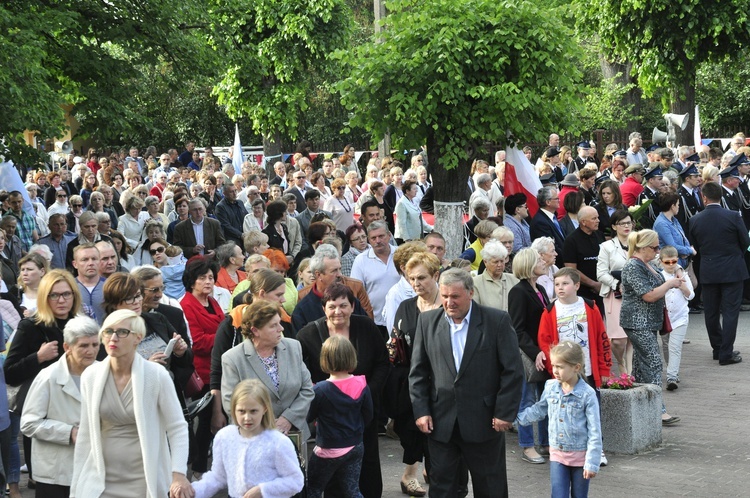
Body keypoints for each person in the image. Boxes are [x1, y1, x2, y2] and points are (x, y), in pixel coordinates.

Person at [408, 269, 523, 498]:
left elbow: (512, 371)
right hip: (441, 423)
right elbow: (418, 372)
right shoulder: (427, 322)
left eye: (455, 296)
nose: (449, 302)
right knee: (442, 487)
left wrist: (504, 412)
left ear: (470, 293)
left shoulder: (496, 321)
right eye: (445, 296)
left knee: (491, 487)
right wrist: (421, 411)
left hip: (485, 421)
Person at [70, 310, 192, 498]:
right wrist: (78, 483)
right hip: (101, 479)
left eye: (122, 332)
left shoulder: (157, 375)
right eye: (108, 331)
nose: (114, 337)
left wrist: (178, 474)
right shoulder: (91, 376)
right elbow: (86, 432)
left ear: (138, 338)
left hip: (144, 478)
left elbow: (177, 427)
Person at [296, 284, 389, 498]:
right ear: (323, 308)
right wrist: (315, 394)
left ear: (353, 306)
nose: (338, 311)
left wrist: (366, 392)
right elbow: (299, 368)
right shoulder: (308, 333)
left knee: (367, 463)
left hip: (363, 409)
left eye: (343, 305)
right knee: (331, 470)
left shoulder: (366, 326)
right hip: (329, 417)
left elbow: (383, 363)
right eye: (332, 306)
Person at [4, 270, 81, 488]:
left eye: (67, 294)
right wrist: (38, 357)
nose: (62, 300)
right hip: (44, 414)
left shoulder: (81, 325)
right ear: (44, 297)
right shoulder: (30, 326)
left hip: (77, 410)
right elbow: (10, 371)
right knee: (47, 481)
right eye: (54, 295)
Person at [20, 316, 100, 498]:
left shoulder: (105, 373)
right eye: (84, 346)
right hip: (55, 473)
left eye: (95, 345)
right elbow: (28, 423)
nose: (91, 351)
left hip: (94, 469)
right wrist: (69, 432)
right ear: (67, 347)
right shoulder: (48, 377)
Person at [190, 379, 304, 498]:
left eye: (253, 411)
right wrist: (193, 492)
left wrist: (263, 490)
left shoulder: (278, 442)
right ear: (233, 409)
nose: (247, 417)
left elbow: (295, 481)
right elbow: (218, 477)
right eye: (241, 411)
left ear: (264, 409)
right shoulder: (224, 437)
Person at [516, 341, 602, 498]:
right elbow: (539, 410)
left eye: (560, 367)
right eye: (554, 365)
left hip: (580, 457)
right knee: (558, 494)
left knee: (579, 495)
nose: (555, 370)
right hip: (557, 454)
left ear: (576, 367)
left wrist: (592, 462)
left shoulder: (587, 394)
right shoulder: (550, 387)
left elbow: (595, 430)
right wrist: (515, 419)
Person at [220, 299, 314, 442]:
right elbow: (231, 403)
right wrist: (266, 427)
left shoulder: (293, 347)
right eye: (273, 326)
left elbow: (307, 389)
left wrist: (288, 419)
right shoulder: (232, 359)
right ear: (255, 330)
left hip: (294, 435)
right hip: (254, 438)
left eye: (279, 323)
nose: (281, 329)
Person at [620, 230, 681, 424]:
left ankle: (637, 407)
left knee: (640, 366)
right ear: (643, 247)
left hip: (647, 322)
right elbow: (648, 295)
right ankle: (658, 409)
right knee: (654, 362)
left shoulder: (646, 264)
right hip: (638, 322)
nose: (657, 251)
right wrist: (670, 284)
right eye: (655, 247)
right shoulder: (632, 266)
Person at [688, 182, 750, 365]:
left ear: (704, 198)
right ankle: (726, 352)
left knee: (712, 312)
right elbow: (745, 241)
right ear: (721, 197)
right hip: (732, 269)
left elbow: (695, 247)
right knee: (731, 312)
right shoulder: (733, 216)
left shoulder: (695, 220)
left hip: (709, 270)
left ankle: (718, 348)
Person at [306, 335, 373, 498]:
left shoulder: (320, 390)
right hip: (355, 445)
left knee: (313, 489)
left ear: (325, 359)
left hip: (328, 448)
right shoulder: (362, 384)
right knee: (352, 491)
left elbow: (308, 416)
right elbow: (368, 415)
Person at [507, 248, 551, 465]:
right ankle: (527, 445)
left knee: (545, 398)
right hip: (528, 354)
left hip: (544, 353)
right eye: (538, 260)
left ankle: (545, 442)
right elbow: (518, 328)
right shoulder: (518, 291)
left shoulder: (540, 288)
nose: (543, 262)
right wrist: (536, 352)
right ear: (528, 265)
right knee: (527, 400)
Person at [596, 209, 635, 375]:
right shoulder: (607, 247)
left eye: (629, 222)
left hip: (636, 295)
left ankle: (629, 372)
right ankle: (620, 363)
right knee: (618, 339)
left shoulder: (639, 243)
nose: (626, 226)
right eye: (622, 223)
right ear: (614, 226)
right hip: (615, 296)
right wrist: (616, 283)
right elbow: (601, 273)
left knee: (633, 336)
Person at [350, 221, 400, 337]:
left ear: (389, 235)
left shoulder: (401, 254)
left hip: (402, 318)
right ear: (369, 239)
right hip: (375, 322)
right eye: (373, 238)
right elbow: (356, 291)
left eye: (381, 236)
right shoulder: (361, 260)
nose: (378, 241)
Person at [659, 246, 694, 391]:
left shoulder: (682, 275)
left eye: (674, 261)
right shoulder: (659, 276)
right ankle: (672, 370)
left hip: (680, 317)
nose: (671, 264)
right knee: (666, 346)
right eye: (667, 262)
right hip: (664, 319)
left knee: (675, 346)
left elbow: (691, 295)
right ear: (661, 262)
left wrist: (682, 286)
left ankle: (671, 377)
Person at [472, 240, 519, 311]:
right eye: (496, 262)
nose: (499, 265)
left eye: (502, 261)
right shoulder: (475, 283)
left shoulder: (514, 280)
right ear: (485, 262)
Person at [653, 191, 696, 269]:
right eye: (678, 205)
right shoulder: (661, 224)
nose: (679, 207)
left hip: (683, 262)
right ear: (673, 206)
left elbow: (684, 238)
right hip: (671, 266)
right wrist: (690, 250)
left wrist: (685, 252)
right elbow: (672, 246)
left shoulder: (674, 220)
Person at [529, 186, 565, 268]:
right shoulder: (540, 222)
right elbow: (550, 246)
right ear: (548, 202)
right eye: (556, 199)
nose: (559, 200)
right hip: (553, 266)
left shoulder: (552, 216)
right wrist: (568, 259)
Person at [18, 253, 49, 317]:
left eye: (29, 269)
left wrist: (36, 315)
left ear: (42, 271)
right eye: (22, 270)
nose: (25, 273)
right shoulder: (14, 293)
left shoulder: (52, 293)